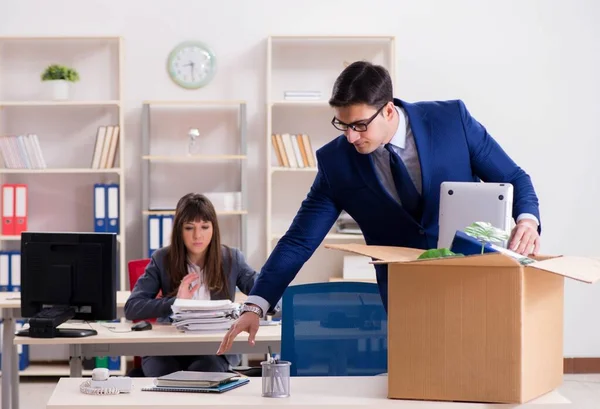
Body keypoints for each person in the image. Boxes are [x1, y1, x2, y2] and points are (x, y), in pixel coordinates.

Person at [217, 60, 542, 355]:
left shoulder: (451, 121)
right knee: (419, 375)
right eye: (341, 125)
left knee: (482, 368)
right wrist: (255, 305)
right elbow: (300, 239)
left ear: (387, 111)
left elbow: (512, 176)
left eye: (359, 125)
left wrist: (527, 221)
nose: (350, 137)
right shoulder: (336, 163)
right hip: (403, 292)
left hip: (471, 278)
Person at [125, 193, 258, 376]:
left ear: (214, 229)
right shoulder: (162, 259)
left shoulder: (231, 258)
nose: (198, 235)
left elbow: (265, 294)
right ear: (179, 230)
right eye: (189, 228)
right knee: (166, 374)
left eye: (204, 227)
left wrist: (254, 309)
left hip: (215, 346)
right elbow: (132, 307)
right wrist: (176, 302)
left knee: (205, 372)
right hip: (168, 347)